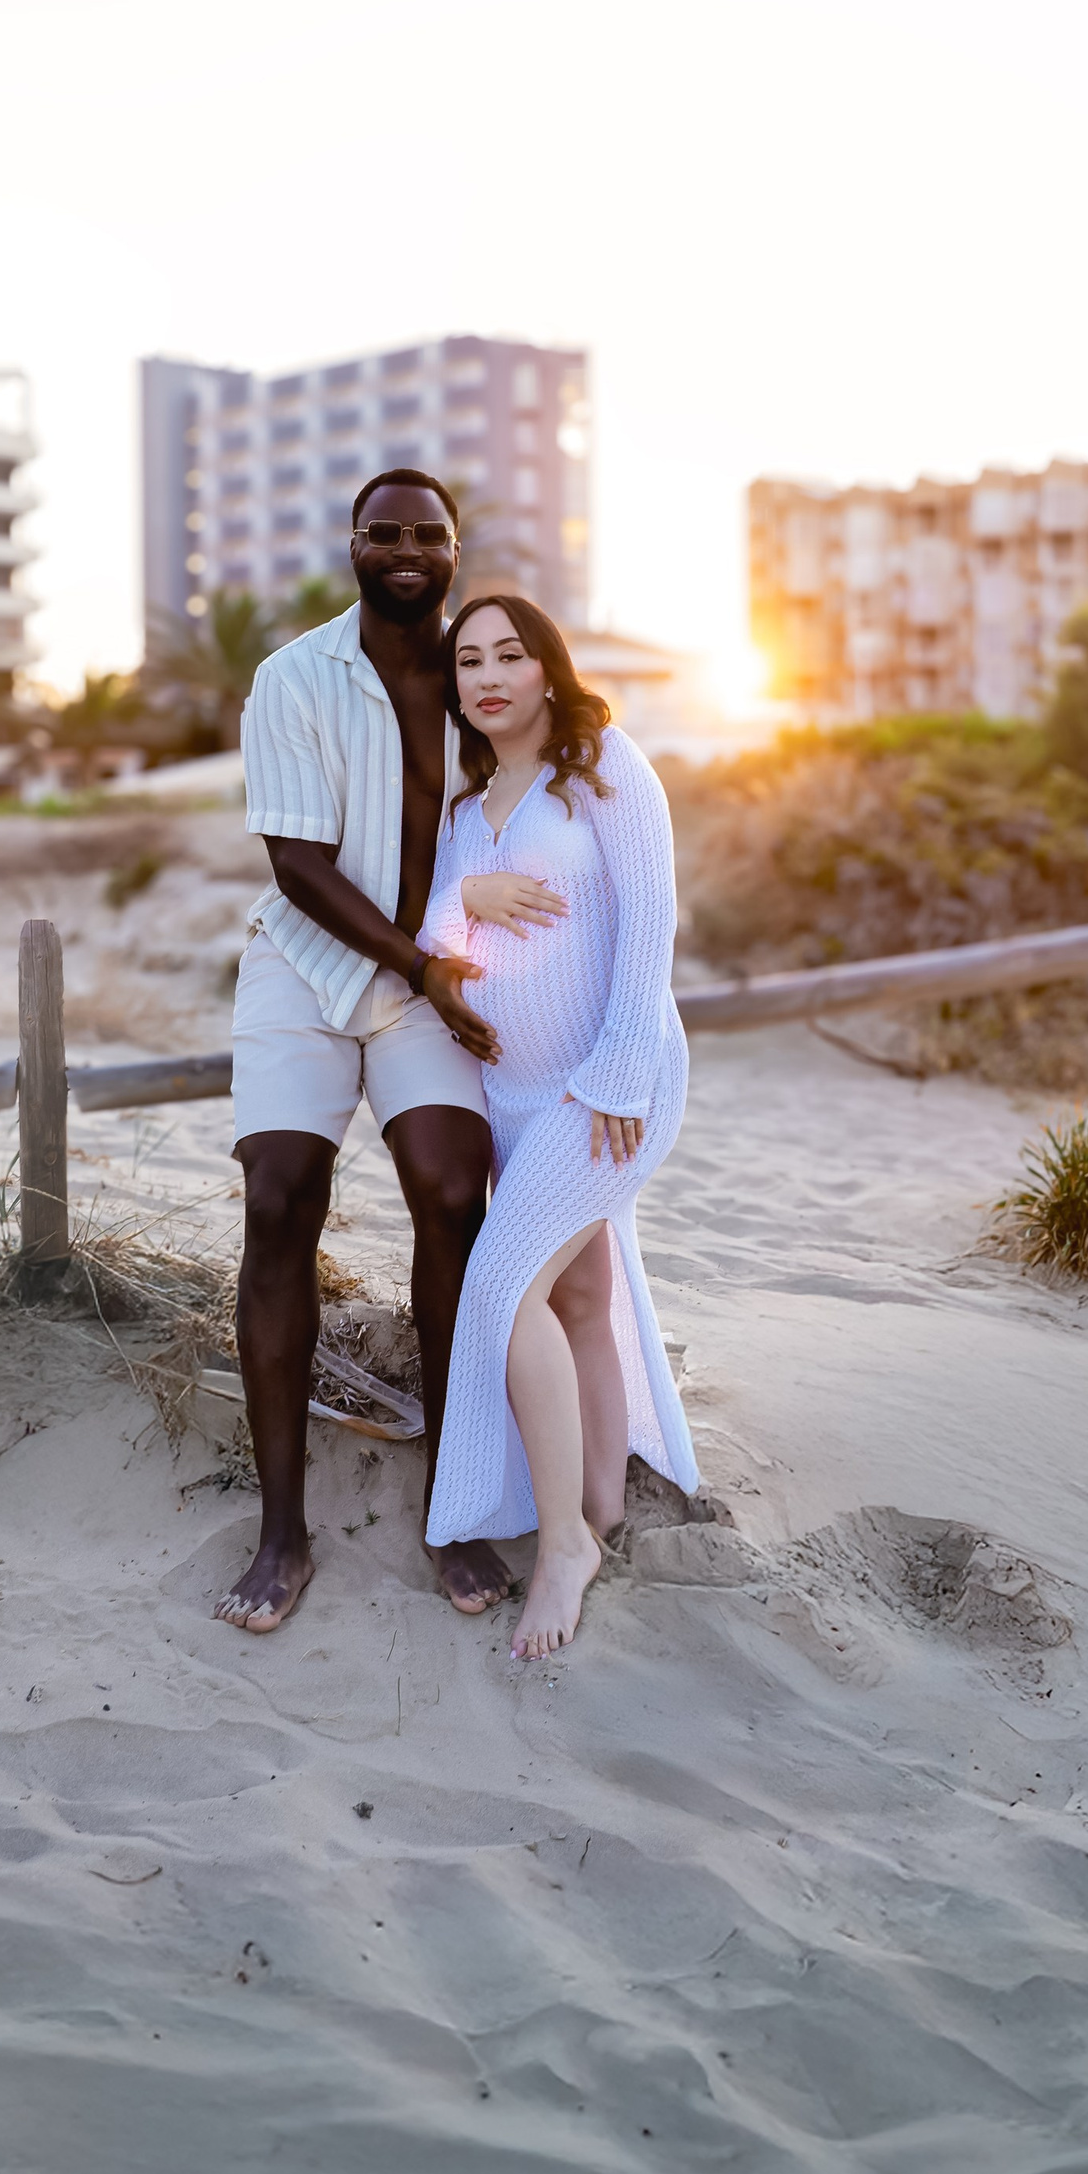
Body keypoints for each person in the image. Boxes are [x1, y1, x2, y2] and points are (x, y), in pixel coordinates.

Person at [213, 470, 515, 1634]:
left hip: (424, 976)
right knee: (281, 1197)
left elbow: (545, 797)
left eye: (427, 535)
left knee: (453, 1191)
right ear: (350, 541)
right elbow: (295, 863)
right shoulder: (293, 674)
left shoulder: (479, 678)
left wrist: (453, 962)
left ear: (453, 548)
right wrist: (417, 959)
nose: (405, 551)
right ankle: (282, 1528)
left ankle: (452, 1502)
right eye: (383, 532)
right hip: (305, 965)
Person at [418, 592, 697, 1662]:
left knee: (500, 1286)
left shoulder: (605, 766)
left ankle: (566, 1546)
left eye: (510, 653)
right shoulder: (462, 810)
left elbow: (650, 921)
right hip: (512, 1098)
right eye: (469, 660)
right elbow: (438, 942)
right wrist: (468, 899)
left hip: (607, 1082)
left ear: (547, 666)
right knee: (578, 1289)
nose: (489, 675)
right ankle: (600, 1499)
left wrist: (619, 1075)